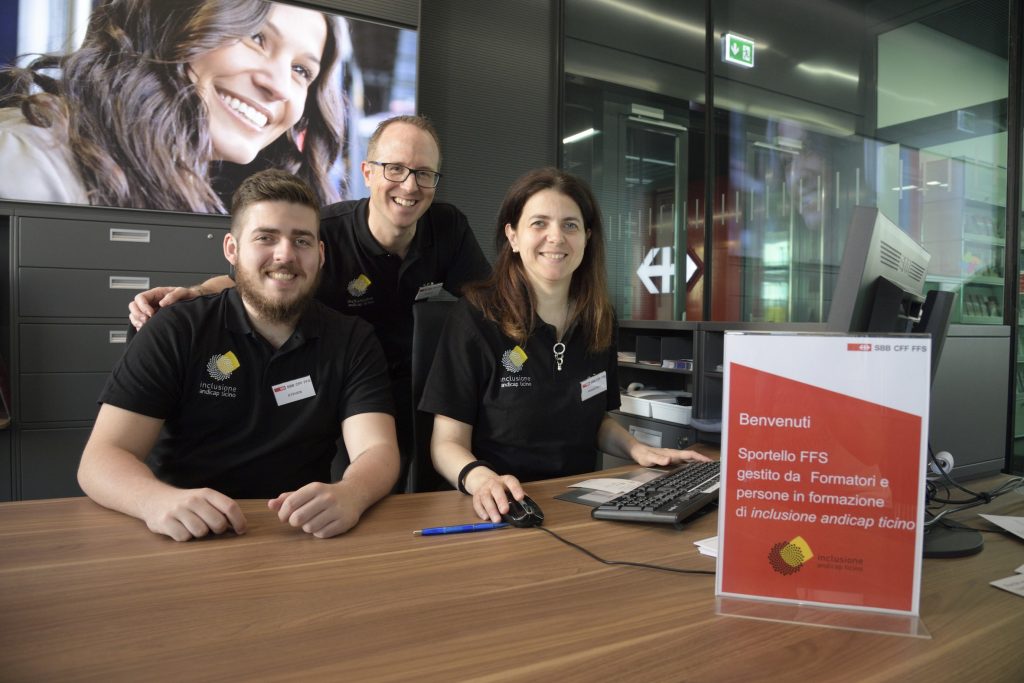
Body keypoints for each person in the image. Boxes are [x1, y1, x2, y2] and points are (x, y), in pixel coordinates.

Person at [128, 114, 491, 483]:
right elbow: (256, 279)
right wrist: (198, 293)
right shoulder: (324, 235)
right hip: (333, 378)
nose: (410, 186)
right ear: (367, 173)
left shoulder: (448, 228)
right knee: (330, 475)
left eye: (423, 173)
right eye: (395, 169)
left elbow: (489, 300)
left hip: (406, 380)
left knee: (392, 477)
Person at [77, 169, 400, 541]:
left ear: (321, 254)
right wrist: (155, 501)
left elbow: (378, 449)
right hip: (185, 534)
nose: (285, 255)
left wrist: (351, 494)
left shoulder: (352, 339)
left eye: (302, 241)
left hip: (297, 535)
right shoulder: (178, 329)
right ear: (232, 249)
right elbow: (101, 458)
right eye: (266, 237)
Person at [419, 168, 710, 523]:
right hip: (497, 510)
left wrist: (639, 449)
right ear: (513, 235)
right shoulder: (476, 318)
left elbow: (594, 419)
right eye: (539, 223)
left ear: (587, 238)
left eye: (570, 225)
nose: (555, 237)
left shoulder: (599, 318)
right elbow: (445, 443)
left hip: (577, 506)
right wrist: (481, 479)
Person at [0, 0, 344, 211]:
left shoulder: (216, 194)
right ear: (172, 24)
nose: (279, 86)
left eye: (301, 71)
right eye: (256, 38)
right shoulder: (31, 156)